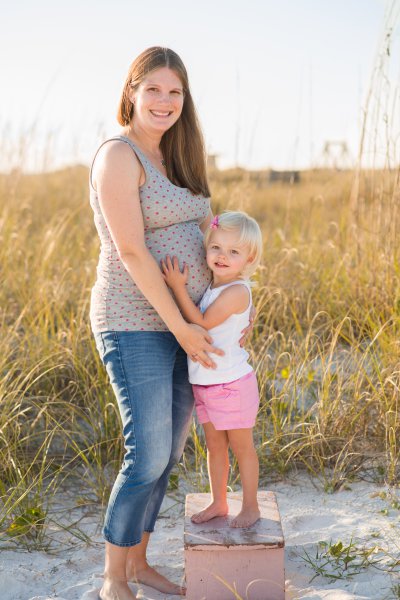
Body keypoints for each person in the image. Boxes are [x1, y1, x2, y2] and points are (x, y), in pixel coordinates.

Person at [89, 47, 253, 600]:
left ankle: (139, 564)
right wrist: (183, 328)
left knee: (169, 453)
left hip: (187, 321)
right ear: (131, 92)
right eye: (153, 89)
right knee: (147, 453)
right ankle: (114, 577)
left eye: (174, 91)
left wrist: (232, 307)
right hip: (133, 322)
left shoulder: (179, 156)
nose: (164, 101)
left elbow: (211, 236)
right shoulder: (119, 155)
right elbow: (132, 252)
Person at [161, 210, 263, 529]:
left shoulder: (236, 291)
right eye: (216, 247)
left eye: (233, 252)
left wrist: (177, 287)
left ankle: (251, 506)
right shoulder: (215, 287)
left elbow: (202, 322)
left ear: (249, 259)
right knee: (215, 447)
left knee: (242, 448)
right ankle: (219, 501)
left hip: (232, 385)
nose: (222, 256)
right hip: (205, 384)